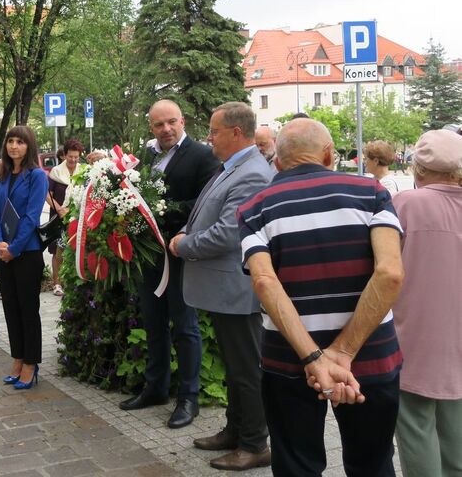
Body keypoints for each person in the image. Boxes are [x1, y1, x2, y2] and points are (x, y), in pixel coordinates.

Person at [237, 118, 404, 477]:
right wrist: (342, 353)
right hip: (371, 357)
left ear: (277, 163)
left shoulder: (255, 208)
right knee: (373, 463)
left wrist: (315, 359)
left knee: (297, 464)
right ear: (329, 155)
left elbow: (264, 282)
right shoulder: (371, 192)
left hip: (289, 361)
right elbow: (390, 273)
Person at [169, 102, 274, 471]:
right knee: (235, 367)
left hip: (237, 290)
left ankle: (255, 443)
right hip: (224, 289)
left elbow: (229, 234)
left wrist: (185, 245)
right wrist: (185, 230)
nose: (208, 137)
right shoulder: (233, 167)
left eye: (214, 131)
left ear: (236, 133)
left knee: (246, 369)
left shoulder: (251, 173)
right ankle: (236, 430)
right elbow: (204, 212)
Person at [123, 100, 219, 430]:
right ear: (151, 127)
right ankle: (156, 388)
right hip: (150, 252)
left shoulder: (202, 155)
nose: (165, 129)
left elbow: (207, 202)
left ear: (183, 121)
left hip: (180, 251)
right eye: (158, 124)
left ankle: (188, 397)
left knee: (185, 325)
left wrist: (167, 208)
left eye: (171, 122)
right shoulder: (148, 155)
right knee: (152, 320)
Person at [392, 130, 462, 477]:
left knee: (416, 426)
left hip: (414, 335)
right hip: (457, 337)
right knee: (456, 431)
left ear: (417, 168)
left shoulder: (407, 203)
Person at [0, 125, 48, 391]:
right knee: (11, 310)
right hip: (3, 252)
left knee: (27, 310)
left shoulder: (37, 176)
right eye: (11, 141)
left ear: (29, 146)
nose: (14, 146)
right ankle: (17, 357)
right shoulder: (2, 175)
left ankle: (31, 364)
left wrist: (14, 248)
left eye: (20, 142)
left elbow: (31, 217)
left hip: (27, 253)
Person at [46, 138, 84, 296]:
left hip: (78, 218)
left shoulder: (84, 170)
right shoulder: (56, 172)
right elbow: (48, 195)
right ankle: (57, 284)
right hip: (59, 217)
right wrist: (60, 209)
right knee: (58, 250)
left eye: (76, 157)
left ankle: (74, 281)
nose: (73, 160)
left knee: (78, 249)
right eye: (70, 156)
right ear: (64, 155)